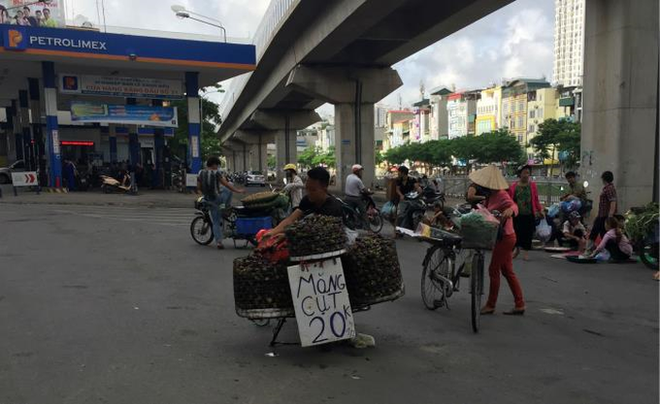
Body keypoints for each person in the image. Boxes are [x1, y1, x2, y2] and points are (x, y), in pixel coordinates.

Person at [471, 165, 525, 316]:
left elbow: (514, 206)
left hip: (505, 237)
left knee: (493, 270)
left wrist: (510, 211)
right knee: (507, 271)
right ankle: (519, 304)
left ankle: (490, 304)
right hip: (503, 237)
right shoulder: (489, 196)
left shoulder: (501, 194)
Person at [263, 167, 343, 242]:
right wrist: (274, 231)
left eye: (313, 190)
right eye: (307, 189)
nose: (309, 193)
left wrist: (286, 235)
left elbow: (316, 233)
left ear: (324, 188)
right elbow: (291, 219)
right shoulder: (307, 199)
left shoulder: (333, 207)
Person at [197, 157, 246, 250]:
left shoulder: (200, 173)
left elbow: (198, 188)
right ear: (214, 164)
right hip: (219, 199)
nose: (218, 167)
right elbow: (226, 184)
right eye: (218, 165)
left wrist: (204, 197)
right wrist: (238, 191)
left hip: (209, 200)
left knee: (215, 221)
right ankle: (226, 207)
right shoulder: (217, 173)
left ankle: (219, 242)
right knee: (230, 185)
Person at [508, 165, 544, 261]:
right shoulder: (514, 187)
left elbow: (536, 199)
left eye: (528, 173)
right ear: (520, 174)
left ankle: (526, 252)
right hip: (517, 213)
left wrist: (540, 210)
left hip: (529, 212)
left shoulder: (532, 185)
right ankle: (517, 249)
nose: (526, 175)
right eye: (524, 173)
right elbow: (510, 200)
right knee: (517, 232)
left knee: (528, 233)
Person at [588, 171, 617, 250]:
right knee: (600, 231)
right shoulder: (607, 188)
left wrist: (610, 215)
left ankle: (591, 248)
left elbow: (613, 201)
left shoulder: (609, 189)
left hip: (605, 215)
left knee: (600, 231)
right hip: (602, 214)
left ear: (604, 179)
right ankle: (593, 247)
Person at [395, 165, 423, 230]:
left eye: (398, 172)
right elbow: (397, 189)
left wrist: (419, 189)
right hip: (403, 200)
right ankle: (397, 231)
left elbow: (417, 187)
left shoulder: (412, 180)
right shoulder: (398, 180)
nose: (398, 173)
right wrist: (401, 195)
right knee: (400, 215)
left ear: (403, 173)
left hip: (412, 200)